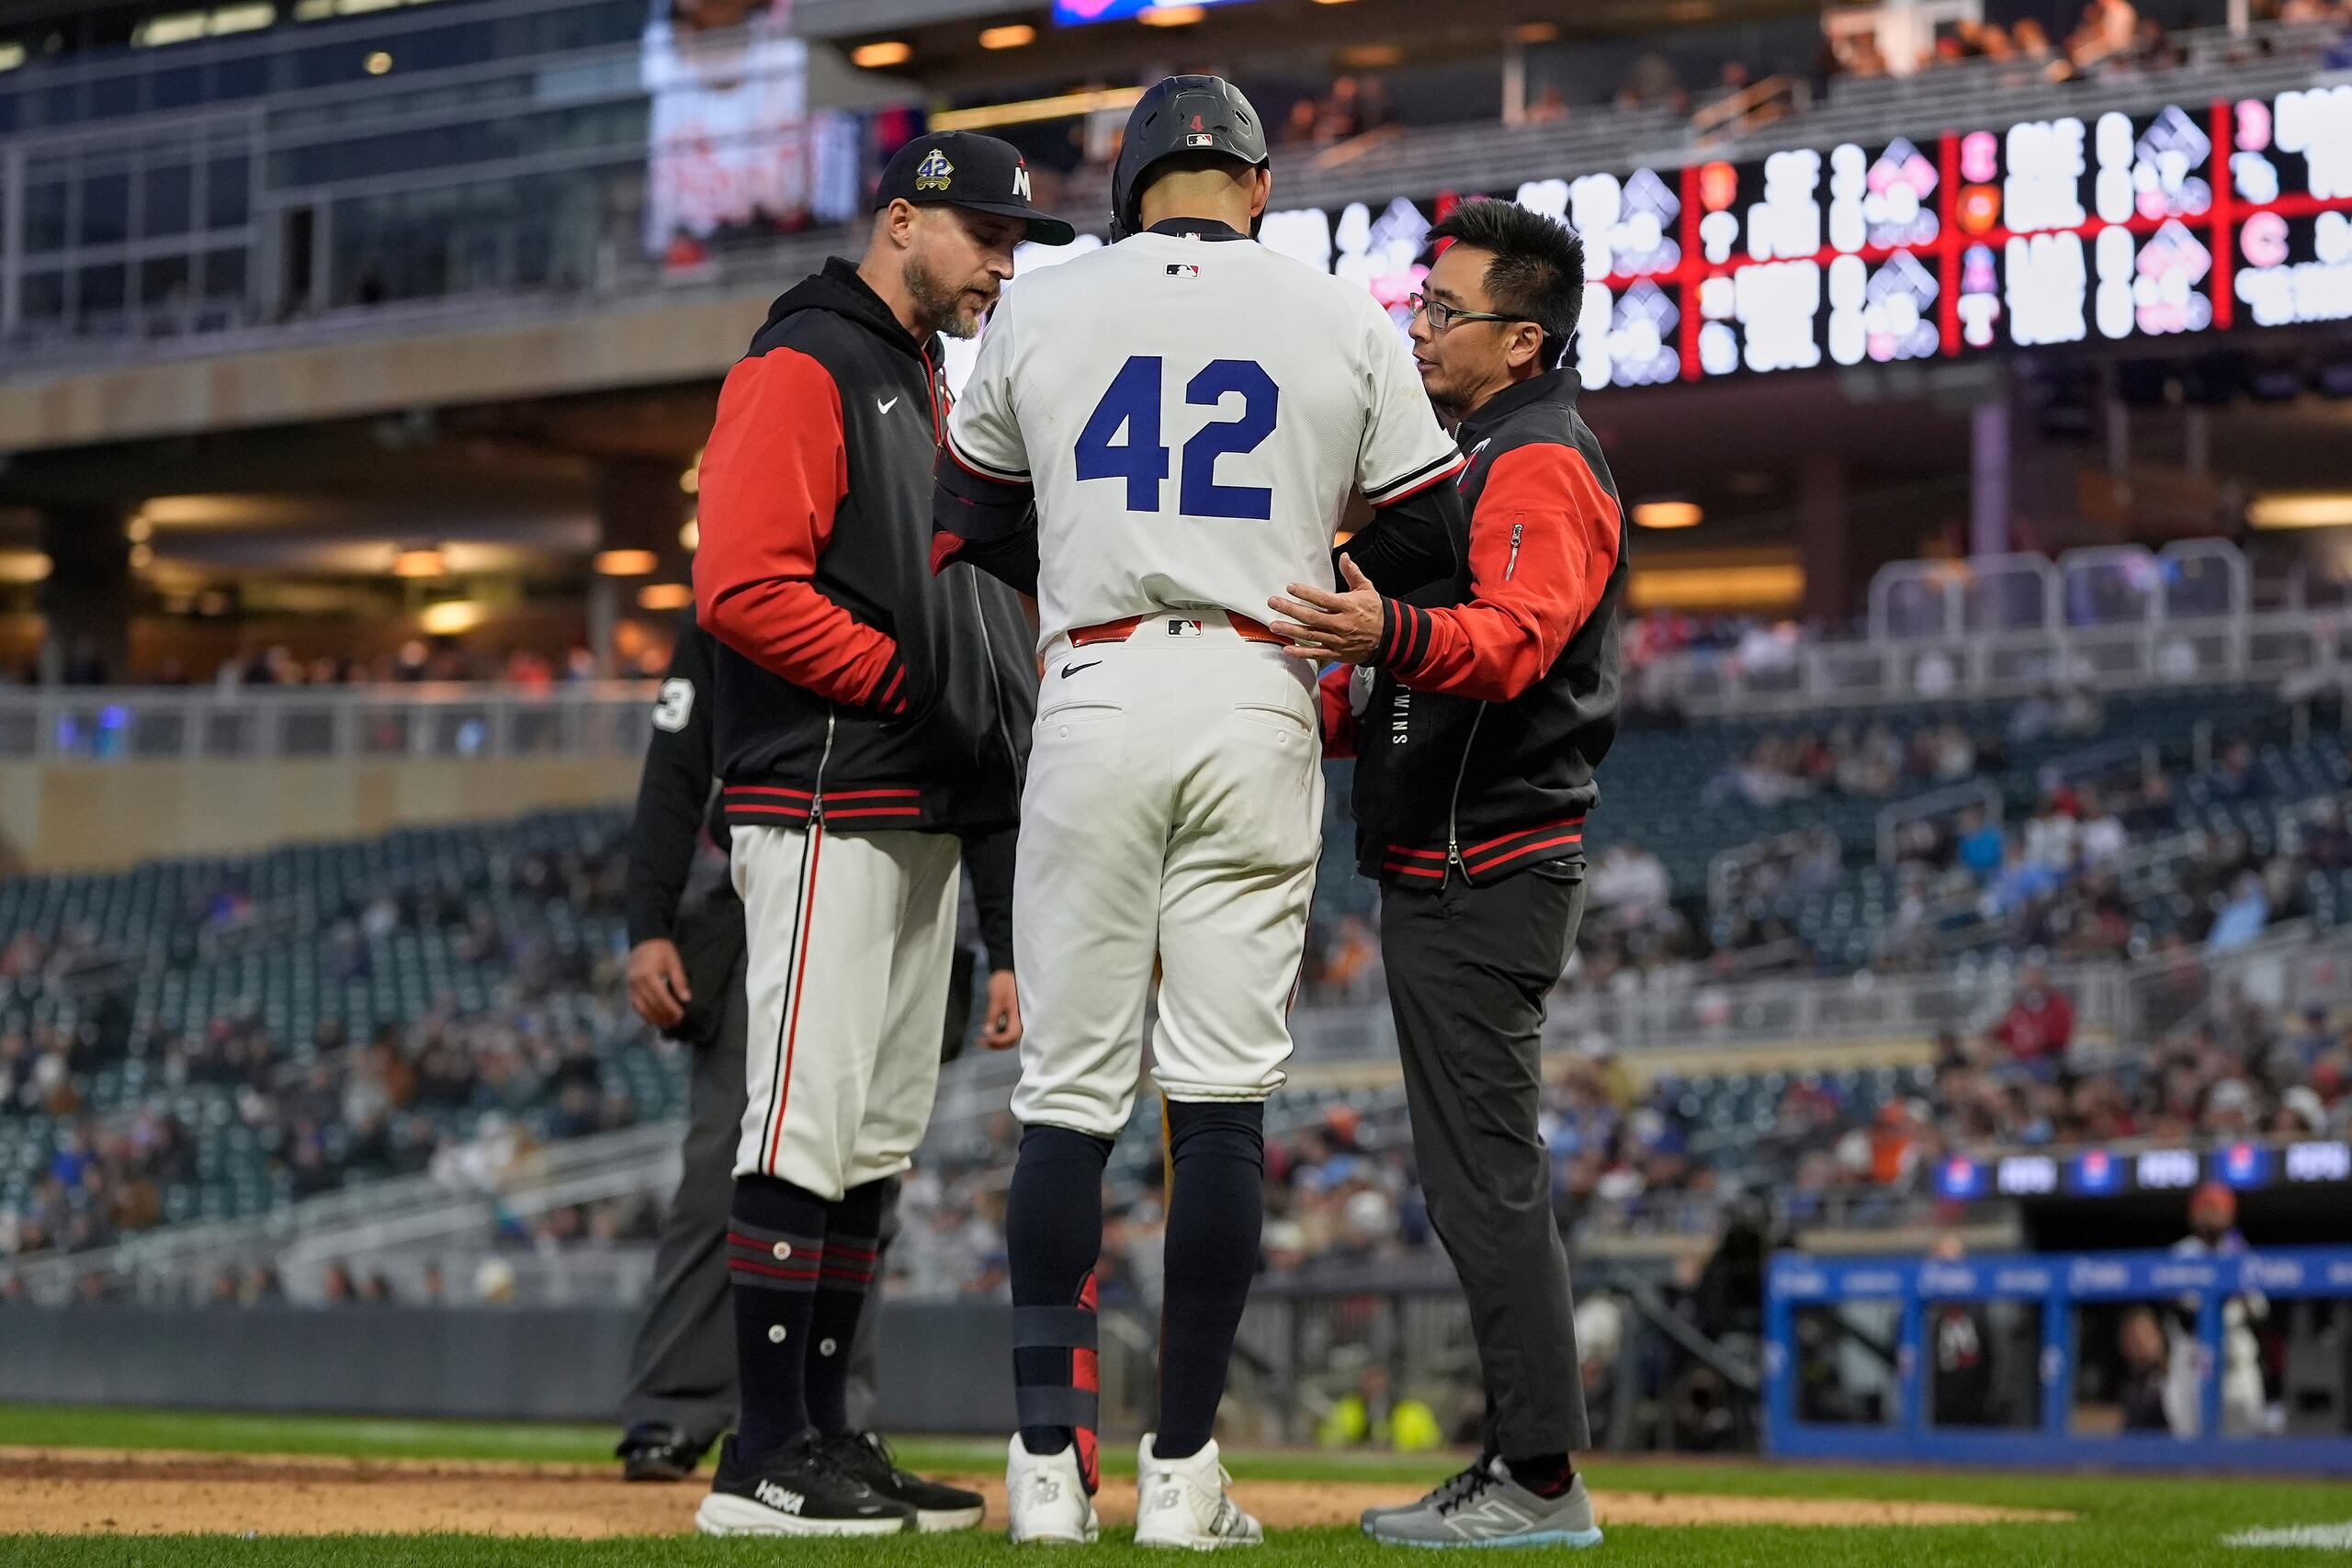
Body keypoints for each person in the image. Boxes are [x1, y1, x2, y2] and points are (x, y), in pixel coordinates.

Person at [933, 74, 1466, 1548]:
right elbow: (1430, 535)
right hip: (1257, 680)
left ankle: (1048, 1473)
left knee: (1065, 1097)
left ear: (1130, 183)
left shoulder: (1037, 306)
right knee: (1219, 1098)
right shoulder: (1344, 313)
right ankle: (1181, 1477)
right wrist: (1290, 519)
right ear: (1257, 182)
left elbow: (969, 521)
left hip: (1095, 684)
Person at [688, 128, 1061, 1538]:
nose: (1005, 266)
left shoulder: (920, 378)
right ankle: (762, 1453)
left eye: (1018, 245)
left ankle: (827, 1435)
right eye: (988, 237)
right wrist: (910, 682)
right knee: (801, 1120)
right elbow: (741, 585)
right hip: (824, 792)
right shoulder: (805, 361)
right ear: (903, 221)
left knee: (869, 1136)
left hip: (910, 801)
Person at [1268, 197, 1619, 1550]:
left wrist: (1381, 628)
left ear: (1523, 341)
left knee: (1484, 1177)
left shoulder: (1539, 458)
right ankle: (1525, 1467)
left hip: (1492, 863)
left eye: (1446, 311)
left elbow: (1515, 640)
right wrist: (1347, 700)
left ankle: (1539, 1481)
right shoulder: (1485, 453)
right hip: (1458, 853)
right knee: (1473, 1174)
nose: (1422, 325)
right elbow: (1438, 673)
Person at [609, 618, 1022, 1482]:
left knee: (867, 1167)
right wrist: (647, 922)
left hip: (914, 879)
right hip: (779, 889)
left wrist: (1005, 944)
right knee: (730, 1161)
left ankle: (834, 1412)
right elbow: (677, 765)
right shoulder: (746, 598)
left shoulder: (938, 589)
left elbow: (987, 771)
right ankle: (677, 1410)